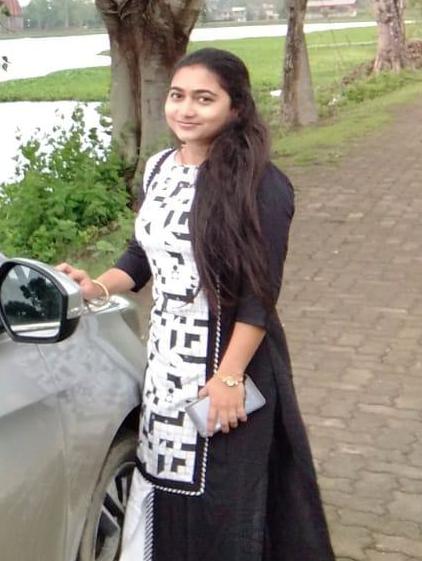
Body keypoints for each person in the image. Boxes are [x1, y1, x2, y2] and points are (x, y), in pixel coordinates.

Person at [58, 48, 335, 561]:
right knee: (163, 480)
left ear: (235, 107)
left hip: (228, 364)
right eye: (177, 96)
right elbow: (142, 255)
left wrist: (228, 378)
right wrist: (95, 286)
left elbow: (260, 294)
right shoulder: (159, 168)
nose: (185, 110)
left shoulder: (262, 184)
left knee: (224, 496)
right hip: (166, 360)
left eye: (204, 99)